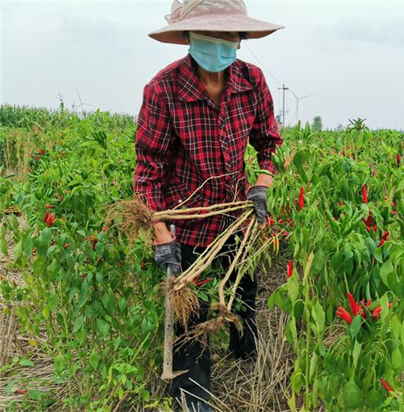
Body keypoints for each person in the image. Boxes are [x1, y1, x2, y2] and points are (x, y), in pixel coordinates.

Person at [133, 0, 284, 411]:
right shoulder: (163, 89)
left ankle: (244, 354)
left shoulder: (251, 81)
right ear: (189, 39)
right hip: (188, 225)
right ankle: (193, 400)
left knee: (243, 291)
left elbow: (268, 143)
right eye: (209, 37)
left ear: (240, 38)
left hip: (237, 220)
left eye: (227, 36)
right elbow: (148, 170)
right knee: (191, 318)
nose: (219, 45)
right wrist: (162, 235)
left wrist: (261, 184)